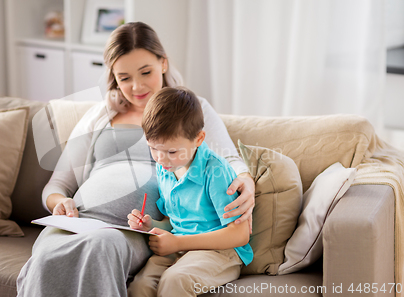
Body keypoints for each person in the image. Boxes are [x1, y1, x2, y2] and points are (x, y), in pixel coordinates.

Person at [16, 22, 255, 297]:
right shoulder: (99, 115)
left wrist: (246, 181)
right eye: (124, 77)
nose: (137, 86)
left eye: (146, 72)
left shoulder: (190, 110)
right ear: (113, 77)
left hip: (130, 230)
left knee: (100, 246)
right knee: (47, 254)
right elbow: (56, 185)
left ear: (163, 64)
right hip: (78, 221)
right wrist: (60, 203)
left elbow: (229, 159)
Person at [126, 87, 253, 297]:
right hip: (178, 246)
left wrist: (177, 242)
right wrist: (151, 225)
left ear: (199, 139)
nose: (160, 158)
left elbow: (239, 234)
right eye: (153, 148)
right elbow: (177, 221)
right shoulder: (166, 168)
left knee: (175, 281)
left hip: (220, 252)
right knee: (139, 288)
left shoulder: (216, 171)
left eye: (172, 151)